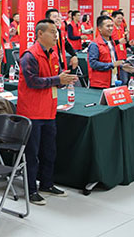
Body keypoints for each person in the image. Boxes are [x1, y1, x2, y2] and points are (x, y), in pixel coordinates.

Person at [18, 19, 77, 205]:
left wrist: (64, 80)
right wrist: (57, 80)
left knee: (49, 151)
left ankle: (47, 184)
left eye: (56, 32)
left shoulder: (53, 53)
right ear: (40, 34)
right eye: (52, 32)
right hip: (32, 112)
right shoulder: (29, 56)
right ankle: (31, 189)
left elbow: (53, 79)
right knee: (32, 154)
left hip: (49, 110)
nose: (55, 35)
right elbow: (33, 82)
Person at [88, 15, 127, 89]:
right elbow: (93, 64)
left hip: (113, 80)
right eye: (108, 26)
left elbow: (112, 60)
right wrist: (112, 65)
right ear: (99, 28)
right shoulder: (95, 44)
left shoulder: (112, 42)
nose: (111, 28)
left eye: (112, 26)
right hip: (100, 83)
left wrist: (122, 66)